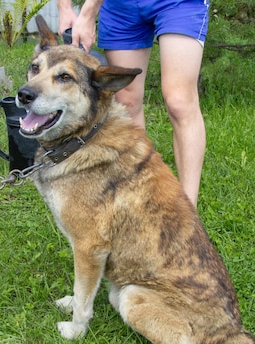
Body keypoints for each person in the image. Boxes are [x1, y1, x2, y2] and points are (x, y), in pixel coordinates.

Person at [56, 0, 209, 208]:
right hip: (122, 6)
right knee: (126, 99)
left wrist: (88, 12)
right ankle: (143, 193)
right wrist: (64, 7)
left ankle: (188, 210)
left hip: (177, 3)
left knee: (179, 101)